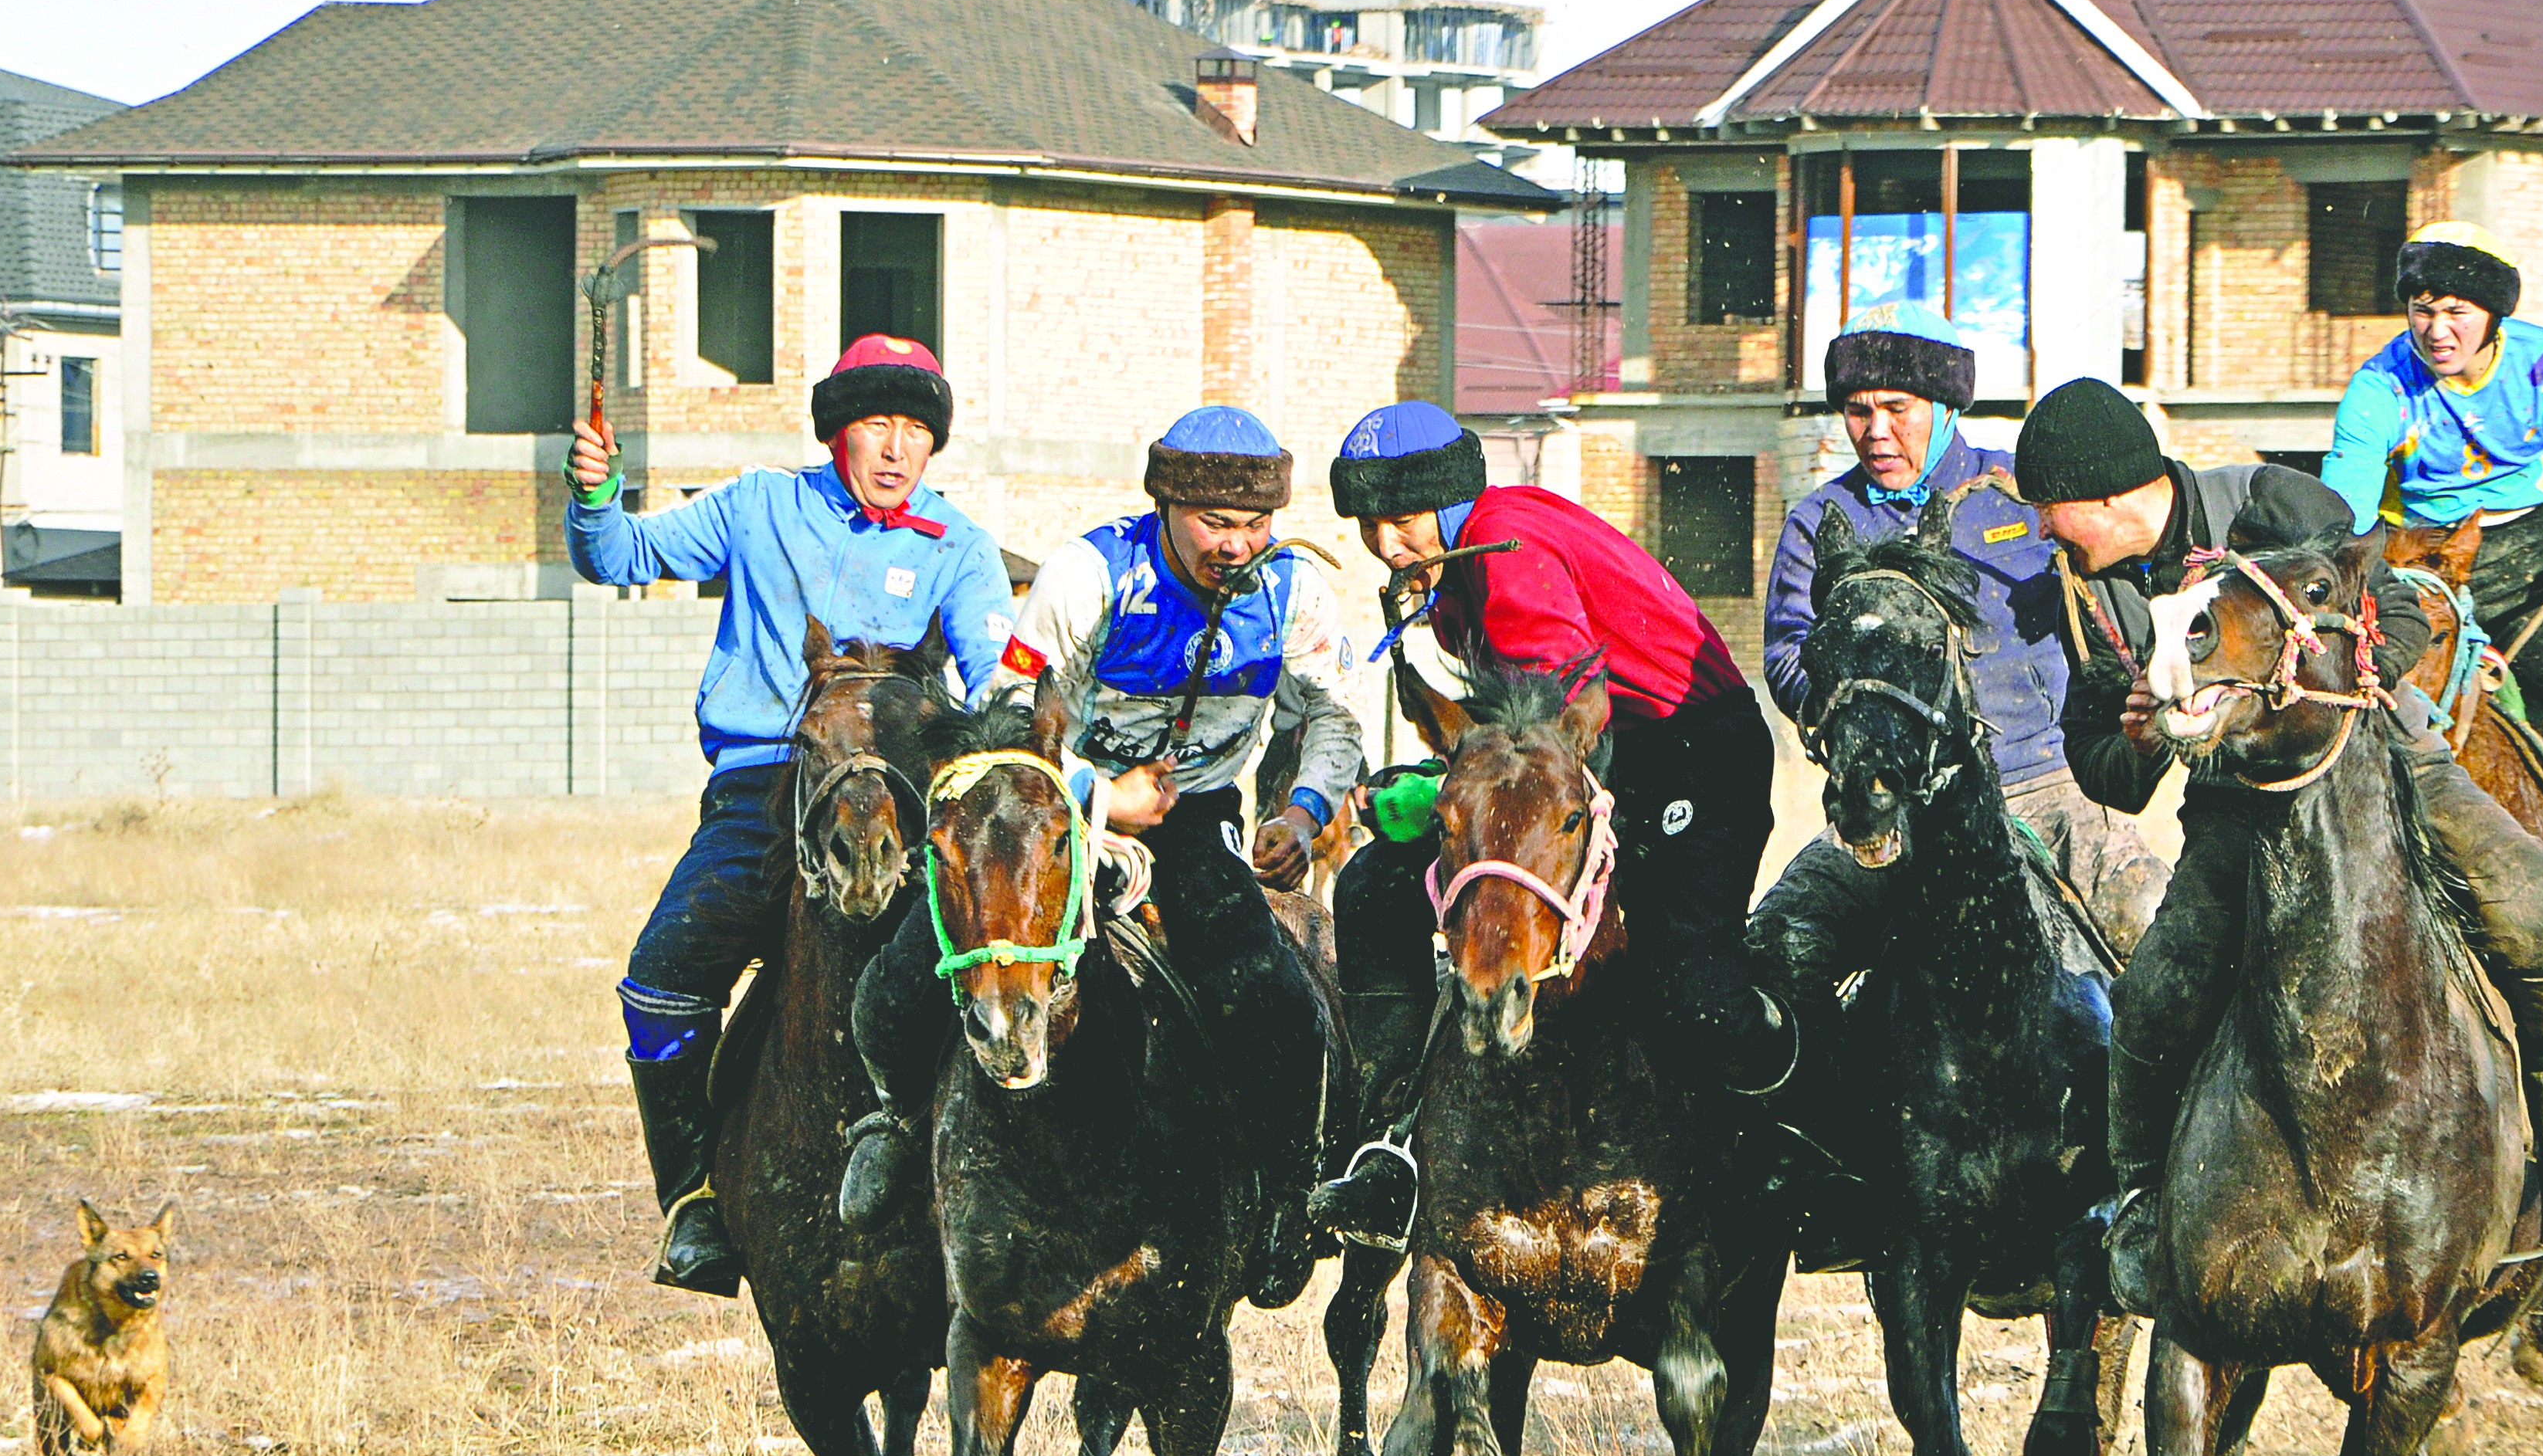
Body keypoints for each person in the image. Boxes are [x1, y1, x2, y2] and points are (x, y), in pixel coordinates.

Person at [2012, 377, 2543, 1311]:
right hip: (2232, 814)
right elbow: (2108, 775)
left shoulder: (2267, 504)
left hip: (2383, 760)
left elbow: (2405, 610)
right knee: (2155, 994)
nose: (2048, 536)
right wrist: (2138, 735)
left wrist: (2304, 687)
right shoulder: (2084, 593)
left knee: (2541, 905)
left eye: (2053, 514)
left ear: (2107, 497)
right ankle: (2137, 1198)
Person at [833, 405, 1362, 1311]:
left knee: (1275, 994)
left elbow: (1337, 718)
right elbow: (1004, 716)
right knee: (903, 971)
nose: (1236, 546)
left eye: (1254, 526)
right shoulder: (1090, 573)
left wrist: (1305, 811)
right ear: (1164, 505)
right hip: (1052, 813)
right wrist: (1099, 796)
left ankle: (1285, 1195)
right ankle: (891, 1127)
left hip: (1196, 825)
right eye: (1214, 525)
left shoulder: (1299, 593)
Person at [565, 334, 1011, 1297]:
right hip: (763, 790)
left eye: (915, 431)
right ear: (836, 433)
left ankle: (987, 1198)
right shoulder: (759, 504)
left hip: (898, 802)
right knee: (659, 982)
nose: (895, 449)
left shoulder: (961, 549)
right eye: (875, 425)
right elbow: (620, 554)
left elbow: (991, 672)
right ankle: (690, 1201)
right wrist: (597, 495)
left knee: (992, 974)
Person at [1307, 401, 1792, 1250]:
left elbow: (1545, 739)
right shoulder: (1458, 569)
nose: (1387, 544)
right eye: (1369, 525)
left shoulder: (1507, 551)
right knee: (1380, 885)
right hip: (1607, 764)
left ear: (1450, 503)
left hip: (1693, 755)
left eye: (1403, 520)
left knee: (1691, 986)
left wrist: (1443, 792)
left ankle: (1791, 1154)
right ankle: (1389, 1141)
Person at [1751, 300, 2169, 1003]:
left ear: (1946, 404)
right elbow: (1789, 656)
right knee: (1775, 949)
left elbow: (2111, 615)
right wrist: (1853, 713)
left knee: (2166, 938)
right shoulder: (1818, 522)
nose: (1875, 432)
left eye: (1897, 407)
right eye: (1857, 411)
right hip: (1889, 806)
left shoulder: (2027, 494)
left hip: (2048, 792)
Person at [2321, 218, 2543, 1009]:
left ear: (2492, 316)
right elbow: (2344, 502)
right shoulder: (2378, 388)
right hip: (2417, 579)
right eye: (2419, 308)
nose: (2435, 330)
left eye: (2454, 311)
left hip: (2533, 576)